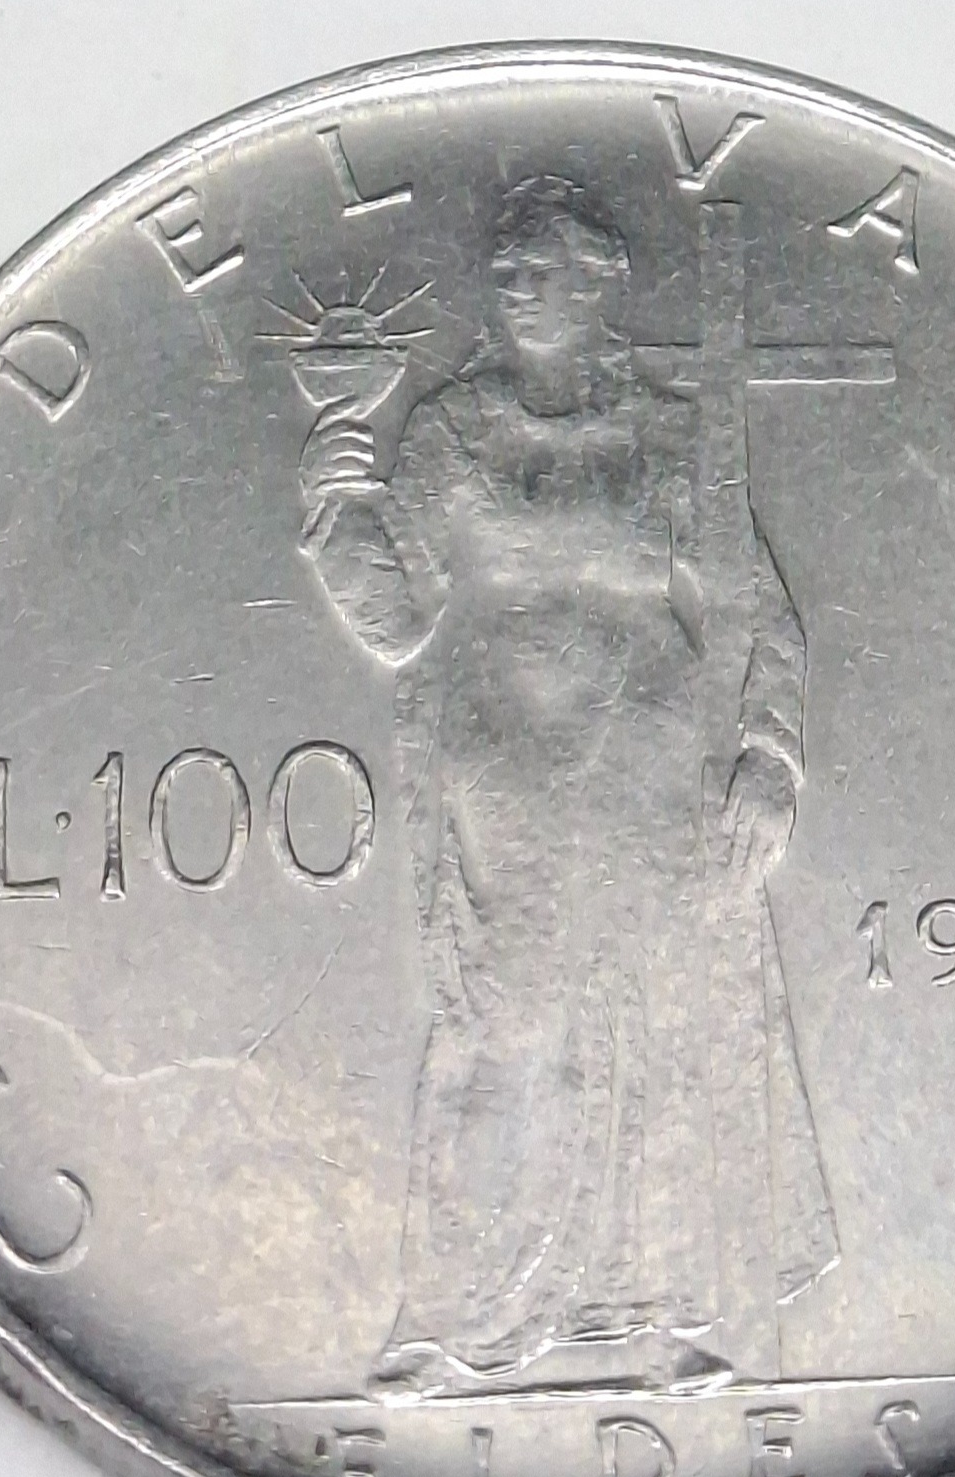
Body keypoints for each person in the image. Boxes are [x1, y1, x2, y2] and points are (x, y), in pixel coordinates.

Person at [294, 174, 837, 1397]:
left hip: (655, 773)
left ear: (603, 284)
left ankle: (667, 1314)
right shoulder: (452, 432)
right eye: (504, 274)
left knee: (655, 1031)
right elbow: (394, 622)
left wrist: (767, 755)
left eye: (543, 270)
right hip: (503, 790)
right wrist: (337, 499)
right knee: (494, 1035)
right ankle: (457, 1320)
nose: (517, 290)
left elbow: (760, 611)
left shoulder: (670, 435)